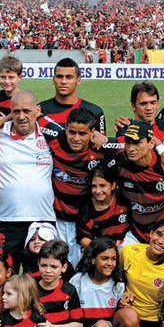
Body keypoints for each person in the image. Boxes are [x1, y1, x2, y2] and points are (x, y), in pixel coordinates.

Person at [0, 90, 55, 263]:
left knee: (39, 281)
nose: (21, 117)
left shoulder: (49, 135)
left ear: (37, 111)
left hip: (41, 220)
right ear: (10, 113)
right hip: (3, 220)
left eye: (27, 111)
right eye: (16, 111)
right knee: (1, 279)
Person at [41, 107, 112, 266]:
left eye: (83, 134)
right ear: (65, 129)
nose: (76, 138)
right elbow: (35, 114)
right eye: (72, 132)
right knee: (51, 267)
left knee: (80, 268)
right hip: (54, 218)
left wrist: (162, 151)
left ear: (93, 133)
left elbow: (129, 144)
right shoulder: (55, 139)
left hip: (83, 224)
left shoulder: (101, 150)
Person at [113, 121, 164, 257]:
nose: (131, 148)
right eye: (128, 143)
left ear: (151, 143)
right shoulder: (119, 162)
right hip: (135, 234)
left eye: (137, 143)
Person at [69, 237, 124, 327]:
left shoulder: (118, 284)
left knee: (102, 326)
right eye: (105, 258)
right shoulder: (78, 281)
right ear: (93, 259)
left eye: (113, 259)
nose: (110, 263)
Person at [39, 58, 105, 131]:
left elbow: (102, 141)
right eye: (59, 77)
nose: (63, 81)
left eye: (69, 77)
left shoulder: (95, 112)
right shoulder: (39, 111)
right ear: (53, 79)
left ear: (78, 80)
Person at [76, 166, 128, 250]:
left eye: (102, 185)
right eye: (94, 186)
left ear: (113, 185)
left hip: (125, 247)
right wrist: (103, 251)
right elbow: (83, 237)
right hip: (98, 251)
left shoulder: (123, 199)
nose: (97, 191)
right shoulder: (86, 207)